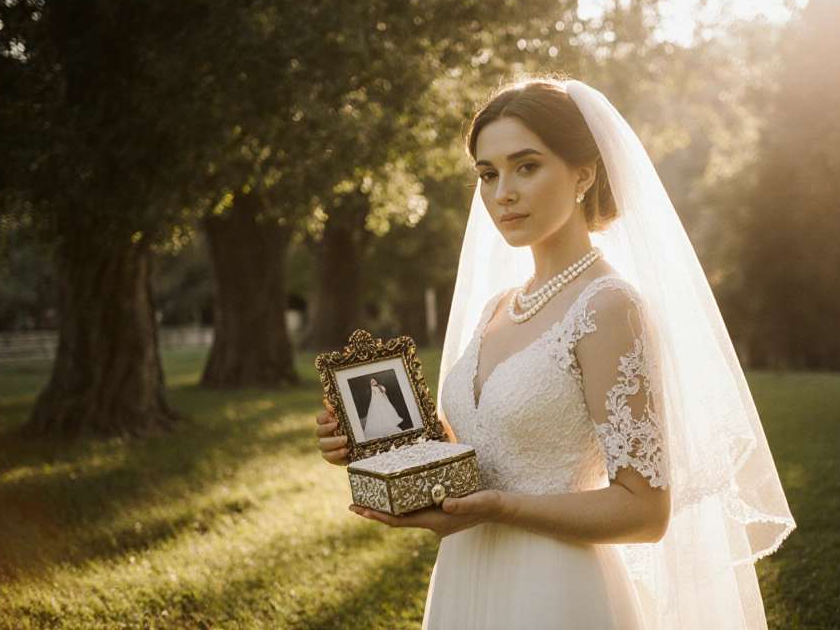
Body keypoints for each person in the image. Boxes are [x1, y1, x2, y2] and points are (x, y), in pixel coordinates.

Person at [315, 77, 794, 629]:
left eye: (527, 166)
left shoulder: (608, 306)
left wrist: (503, 506)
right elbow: (475, 449)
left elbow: (644, 510)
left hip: (553, 586)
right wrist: (371, 443)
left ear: (583, 174)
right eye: (488, 174)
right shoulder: (499, 305)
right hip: (467, 573)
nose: (502, 193)